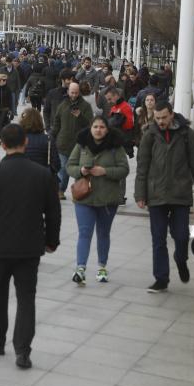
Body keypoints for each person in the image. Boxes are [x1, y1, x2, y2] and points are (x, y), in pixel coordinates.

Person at [0, 123, 61, 370]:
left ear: (2, 145)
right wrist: (52, 240)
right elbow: (53, 212)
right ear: (26, 143)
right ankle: (23, 351)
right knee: (26, 298)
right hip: (29, 247)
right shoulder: (42, 174)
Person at [135, 101, 194, 293]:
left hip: (180, 195)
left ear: (171, 115)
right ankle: (161, 279)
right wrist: (140, 194)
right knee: (158, 239)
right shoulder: (149, 135)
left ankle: (181, 259)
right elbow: (142, 166)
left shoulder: (187, 135)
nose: (160, 121)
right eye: (157, 118)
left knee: (182, 236)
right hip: (156, 194)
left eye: (164, 118)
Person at [66, 116, 130, 286]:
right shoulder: (82, 144)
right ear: (90, 128)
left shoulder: (116, 147)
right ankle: (80, 269)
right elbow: (69, 166)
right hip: (84, 198)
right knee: (84, 233)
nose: (98, 130)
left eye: (102, 127)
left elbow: (124, 169)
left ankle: (102, 267)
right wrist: (80, 170)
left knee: (103, 233)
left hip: (107, 199)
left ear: (107, 129)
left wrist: (105, 171)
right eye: (95, 126)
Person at [51, 82, 93, 199]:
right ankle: (60, 190)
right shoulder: (62, 105)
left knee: (79, 170)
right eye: (72, 92)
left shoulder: (85, 106)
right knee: (63, 168)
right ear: (68, 92)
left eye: (76, 93)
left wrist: (80, 116)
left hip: (79, 144)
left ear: (79, 92)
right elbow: (57, 122)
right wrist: (52, 135)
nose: (74, 95)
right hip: (63, 143)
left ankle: (79, 191)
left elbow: (90, 124)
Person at [20, 107, 60, 176]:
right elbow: (57, 165)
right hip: (43, 178)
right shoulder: (48, 139)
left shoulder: (18, 139)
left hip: (23, 177)